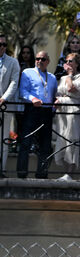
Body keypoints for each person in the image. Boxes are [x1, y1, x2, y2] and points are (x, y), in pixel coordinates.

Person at [17, 51, 58, 179]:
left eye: (43, 59)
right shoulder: (27, 72)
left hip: (46, 112)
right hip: (32, 109)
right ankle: (22, 173)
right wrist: (32, 98)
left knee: (45, 144)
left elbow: (54, 93)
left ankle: (42, 174)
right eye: (37, 58)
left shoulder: (52, 77)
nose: (40, 61)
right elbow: (22, 91)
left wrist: (56, 100)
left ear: (48, 61)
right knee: (26, 142)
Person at [53, 53, 80, 180]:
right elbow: (59, 92)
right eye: (67, 61)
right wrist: (58, 99)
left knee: (72, 139)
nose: (68, 63)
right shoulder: (62, 78)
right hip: (62, 109)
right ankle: (65, 173)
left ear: (76, 63)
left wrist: (70, 76)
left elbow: (71, 89)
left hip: (73, 109)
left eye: (71, 61)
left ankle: (70, 173)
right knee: (62, 139)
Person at [0, 34, 20, 177]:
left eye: (3, 45)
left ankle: (1, 169)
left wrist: (3, 98)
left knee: (3, 140)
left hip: (4, 107)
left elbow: (14, 82)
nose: (1, 47)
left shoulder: (13, 62)